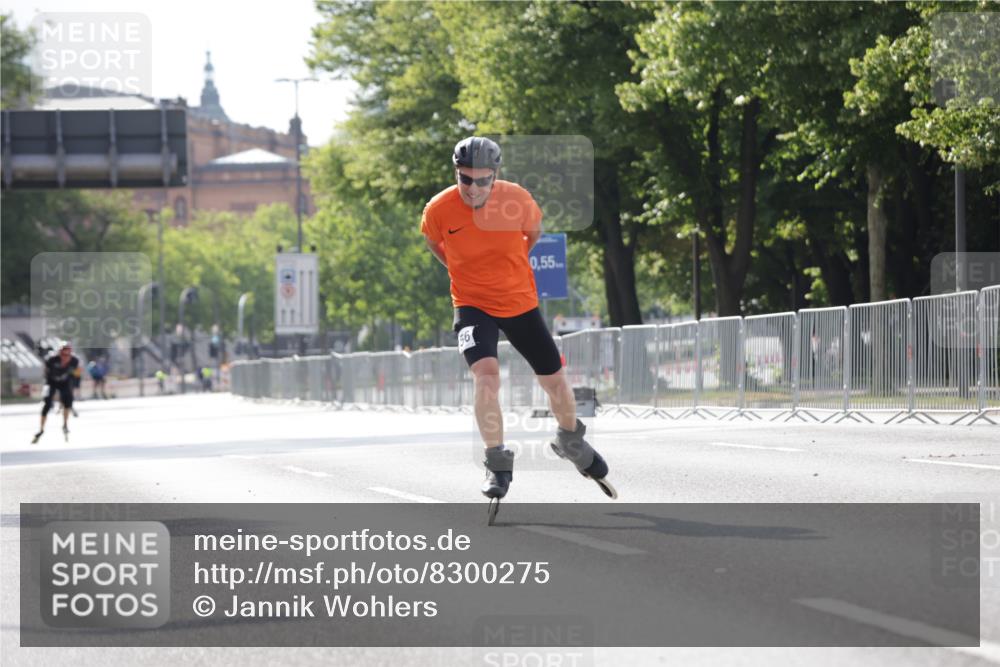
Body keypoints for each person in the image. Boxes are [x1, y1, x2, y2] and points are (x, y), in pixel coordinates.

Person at [420, 136, 616, 500]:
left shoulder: (518, 200)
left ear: (495, 176)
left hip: (520, 302)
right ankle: (496, 462)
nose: (473, 188)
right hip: (471, 304)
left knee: (555, 381)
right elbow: (434, 242)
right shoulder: (439, 209)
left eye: (482, 180)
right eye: (466, 179)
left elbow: (534, 235)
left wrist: (508, 269)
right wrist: (459, 271)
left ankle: (569, 439)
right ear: (456, 173)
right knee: (486, 376)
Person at [32, 340, 80, 443]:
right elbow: (46, 372)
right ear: (59, 353)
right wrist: (47, 387)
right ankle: (41, 429)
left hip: (65, 382)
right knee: (47, 403)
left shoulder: (74, 361)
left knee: (68, 400)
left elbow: (76, 374)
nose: (65, 357)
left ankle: (65, 424)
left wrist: (75, 386)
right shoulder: (52, 359)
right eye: (63, 354)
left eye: (68, 355)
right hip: (51, 381)